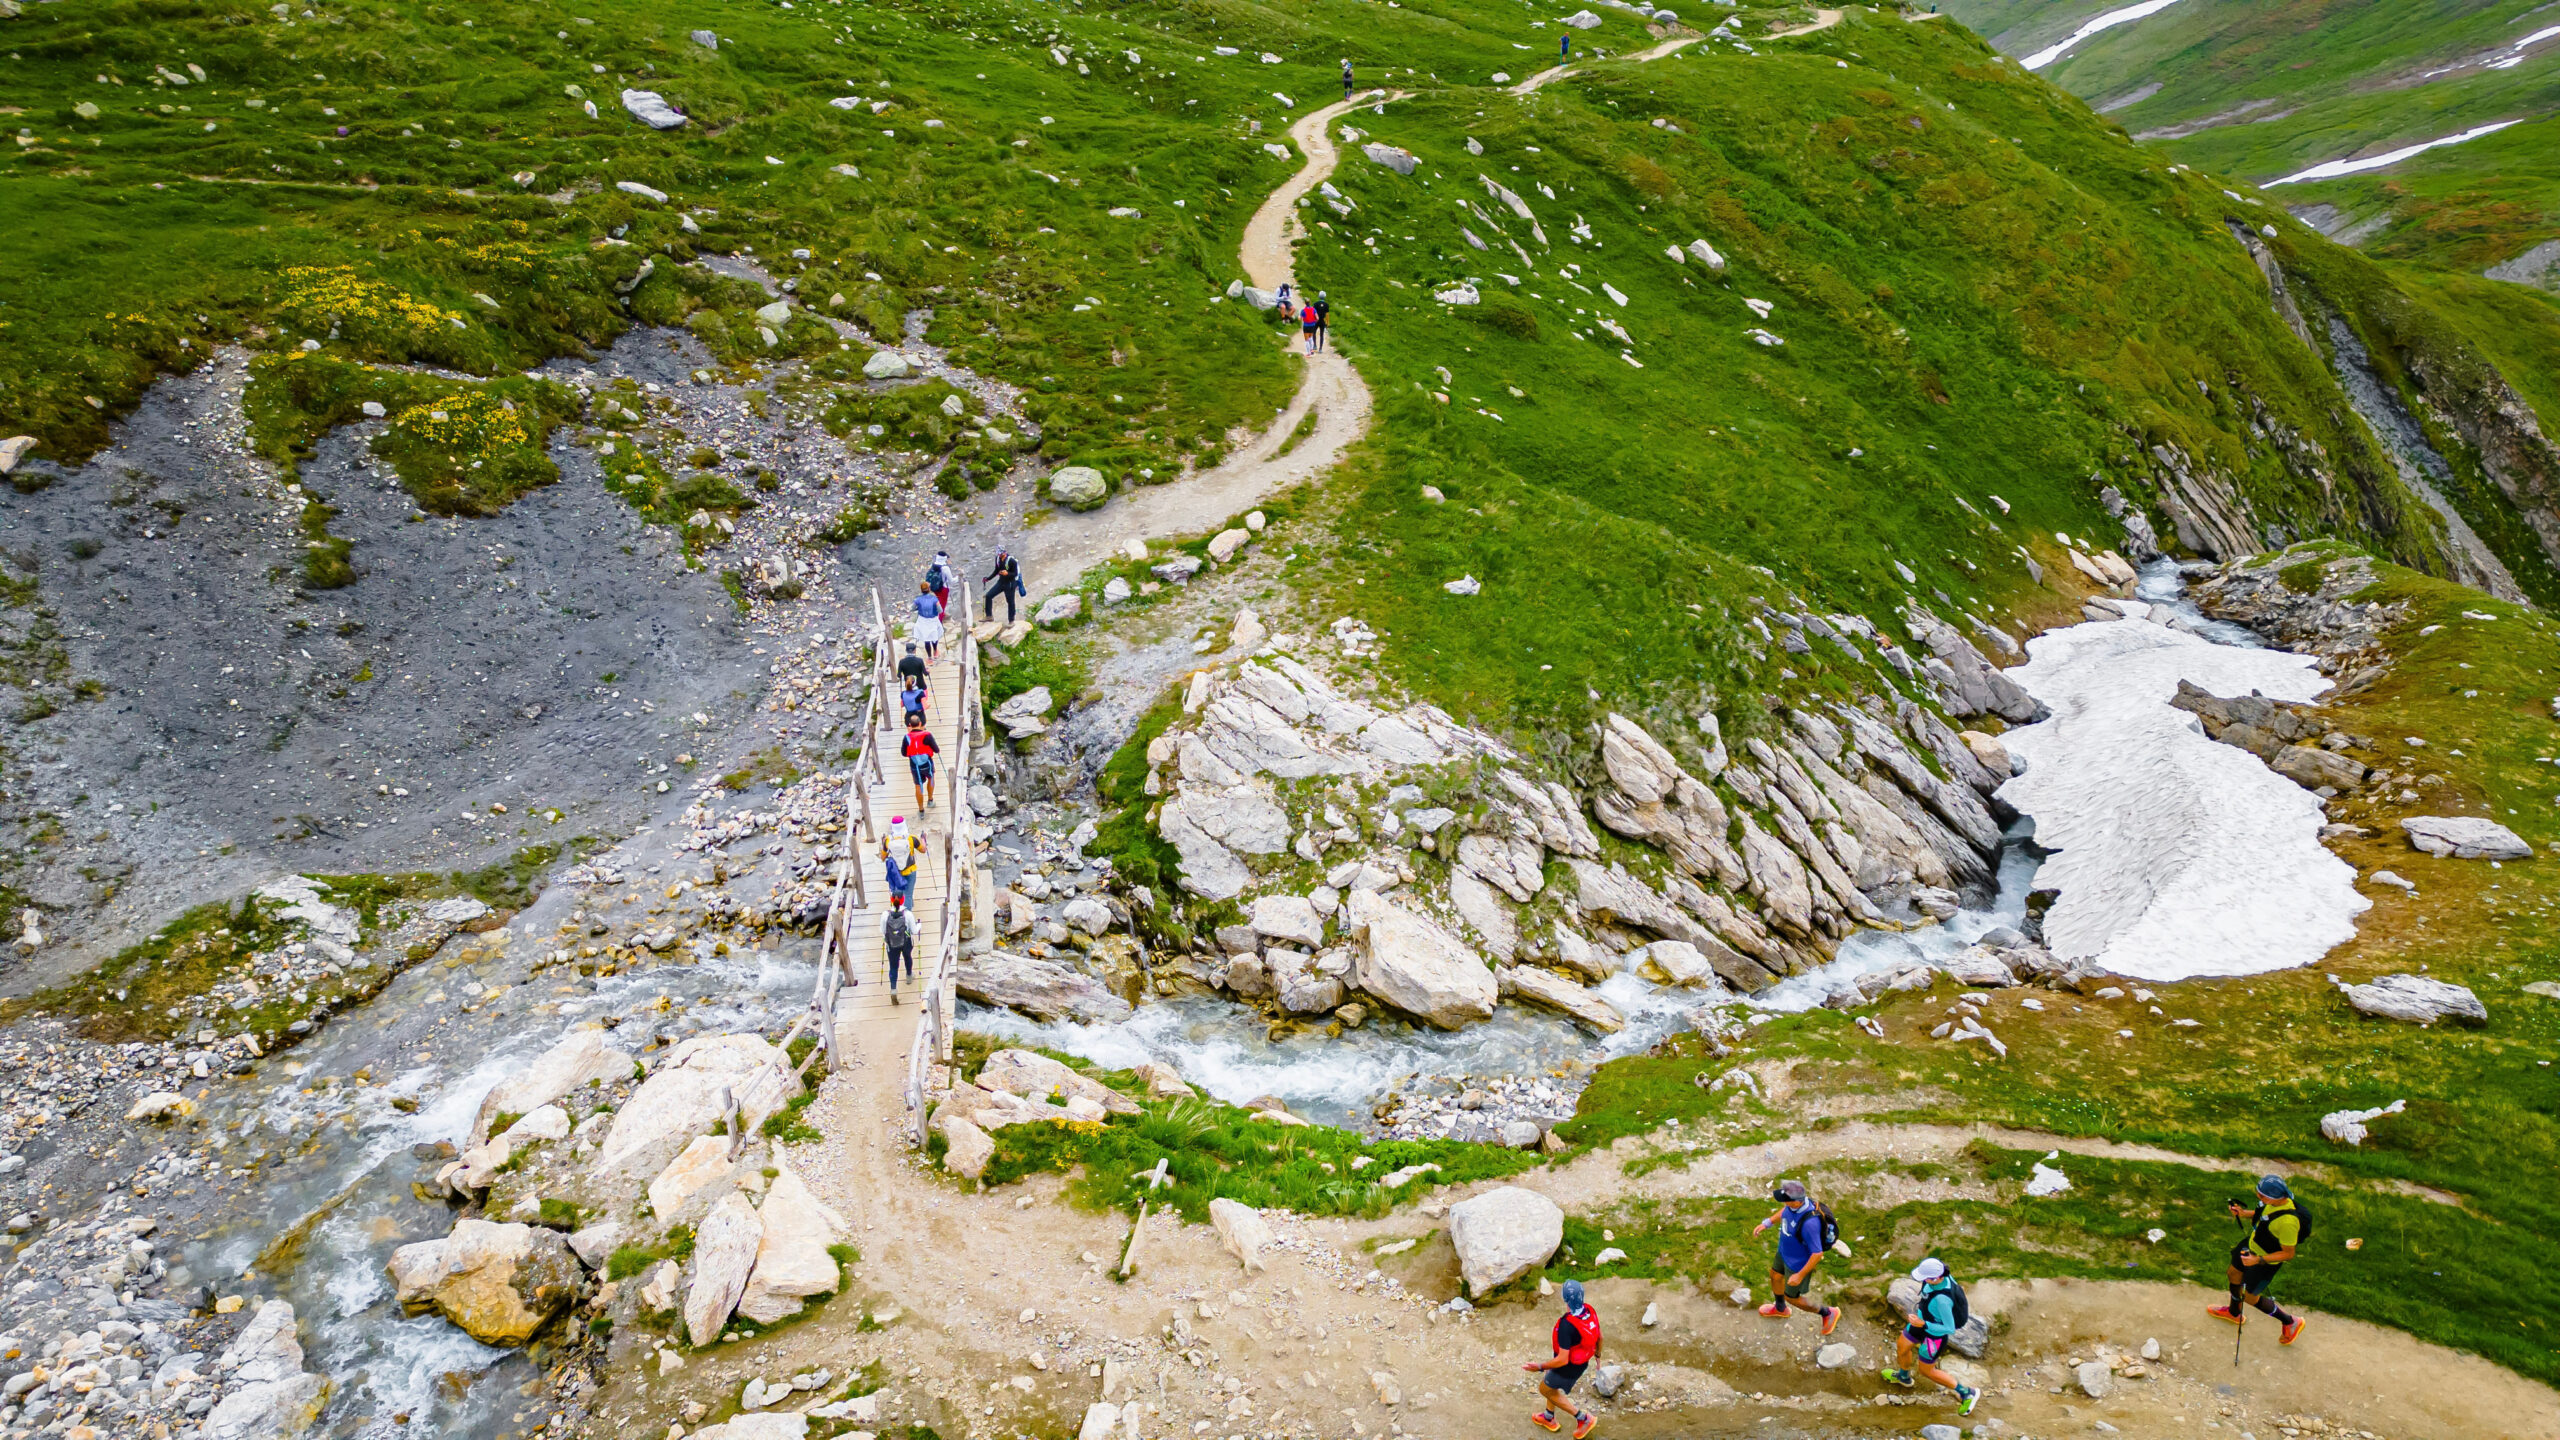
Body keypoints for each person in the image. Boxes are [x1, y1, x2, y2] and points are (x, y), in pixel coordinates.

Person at [2210, 1175, 2307, 1343]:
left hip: (2264, 1262)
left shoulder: (2288, 1223)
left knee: (2250, 1297)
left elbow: (2288, 1254)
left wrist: (2258, 1260)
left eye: (2262, 1195)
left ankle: (2290, 1322)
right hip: (2250, 1246)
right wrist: (2243, 1213)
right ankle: (2233, 1313)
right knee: (2233, 1274)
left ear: (2276, 1197)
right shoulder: (2272, 1204)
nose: (2258, 1197)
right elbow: (2262, 1215)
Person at [1881, 1258, 1981, 1415]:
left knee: (1927, 1371)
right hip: (1920, 1322)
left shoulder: (1943, 1300)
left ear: (1936, 1278)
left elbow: (1949, 1328)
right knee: (1902, 1345)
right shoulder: (1941, 1277)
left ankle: (1967, 1393)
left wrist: (1924, 1324)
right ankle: (1903, 1377)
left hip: (1934, 1336)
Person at [1752, 1179, 1841, 1333]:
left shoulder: (1810, 1224)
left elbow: (1817, 1254)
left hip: (1797, 1264)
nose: (1784, 1203)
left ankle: (1828, 1313)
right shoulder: (1792, 1207)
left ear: (1797, 1202)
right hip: (1784, 1252)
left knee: (1792, 1297)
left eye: (1786, 1200)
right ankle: (1780, 1308)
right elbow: (1785, 1212)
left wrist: (1799, 1275)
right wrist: (1767, 1223)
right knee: (1775, 1276)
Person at [1519, 1279, 1600, 1437]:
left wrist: (1539, 1366)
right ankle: (1548, 1417)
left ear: (1565, 1299)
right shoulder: (1589, 1311)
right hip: (1582, 1361)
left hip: (1568, 1366)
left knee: (1545, 1389)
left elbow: (1562, 1359)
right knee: (1551, 1383)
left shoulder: (1566, 1325)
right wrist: (1598, 1355)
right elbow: (1600, 1336)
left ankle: (1583, 1419)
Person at [880, 814, 925, 904]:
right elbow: (923, 850)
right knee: (908, 895)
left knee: (897, 895)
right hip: (910, 870)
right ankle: (907, 915)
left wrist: (883, 843)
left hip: (895, 872)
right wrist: (923, 839)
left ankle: (897, 912)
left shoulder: (888, 840)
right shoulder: (911, 839)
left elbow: (883, 857)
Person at [901, 710, 940, 811]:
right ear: (920, 723)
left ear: (910, 725)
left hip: (915, 765)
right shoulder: (927, 735)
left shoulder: (906, 737)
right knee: (931, 778)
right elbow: (936, 750)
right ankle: (930, 800)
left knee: (918, 785)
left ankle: (921, 809)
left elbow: (904, 753)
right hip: (927, 762)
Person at [882, 892, 915, 1001]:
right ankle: (909, 975)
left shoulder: (885, 915)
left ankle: (893, 989)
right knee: (907, 957)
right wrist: (919, 926)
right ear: (903, 899)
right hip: (906, 942)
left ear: (891, 900)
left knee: (893, 966)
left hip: (891, 944)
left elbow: (883, 930)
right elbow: (913, 930)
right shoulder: (908, 914)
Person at [983, 548, 1025, 624]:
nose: (999, 555)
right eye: (998, 553)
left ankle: (1011, 621)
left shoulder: (1012, 561)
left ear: (1004, 553)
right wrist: (988, 579)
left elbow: (1015, 574)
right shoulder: (998, 559)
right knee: (988, 596)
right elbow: (996, 570)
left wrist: (1007, 573)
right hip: (1001, 582)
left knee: (1010, 602)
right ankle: (989, 616)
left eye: (1000, 554)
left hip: (1010, 584)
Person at [912, 581, 945, 662]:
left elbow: (912, 608)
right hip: (933, 620)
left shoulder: (917, 599)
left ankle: (929, 657)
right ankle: (935, 651)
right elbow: (940, 611)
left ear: (921, 590)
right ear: (929, 589)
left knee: (926, 639)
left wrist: (918, 608)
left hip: (922, 620)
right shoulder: (934, 599)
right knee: (934, 636)